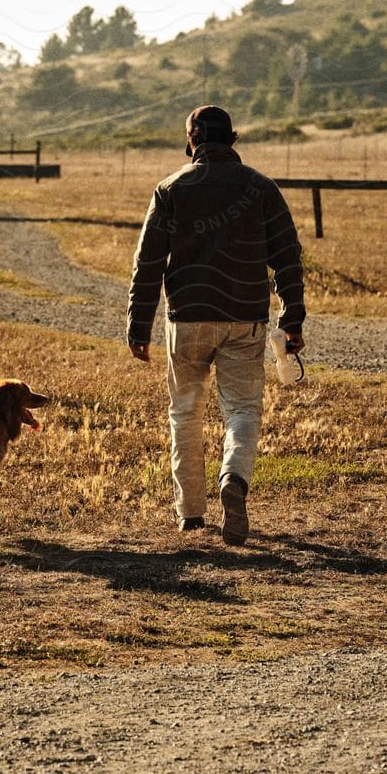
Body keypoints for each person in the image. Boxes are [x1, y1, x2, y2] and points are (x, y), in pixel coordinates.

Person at [126, 105, 306, 544]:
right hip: (245, 317)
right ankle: (234, 479)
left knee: (185, 412)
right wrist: (293, 317)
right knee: (242, 409)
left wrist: (138, 324)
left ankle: (190, 513)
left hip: (186, 319)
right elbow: (287, 257)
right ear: (233, 138)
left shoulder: (170, 188)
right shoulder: (261, 188)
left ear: (192, 140)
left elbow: (148, 263)